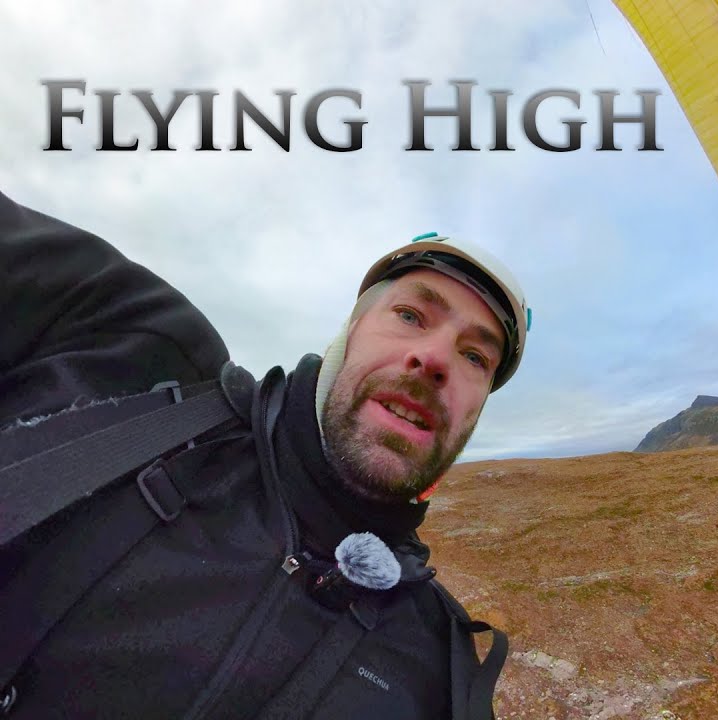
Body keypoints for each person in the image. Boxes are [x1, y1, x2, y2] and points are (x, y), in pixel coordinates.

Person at [0, 188, 529, 719]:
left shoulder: (442, 669)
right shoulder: (140, 354)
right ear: (348, 335)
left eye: (474, 356)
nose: (436, 358)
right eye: (412, 316)